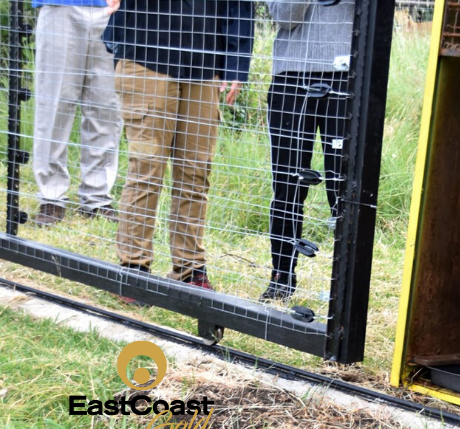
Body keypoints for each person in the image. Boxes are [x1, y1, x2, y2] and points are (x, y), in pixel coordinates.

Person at [102, 0, 253, 300]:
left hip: (204, 63)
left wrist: (237, 62)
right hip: (147, 55)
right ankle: (135, 270)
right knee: (147, 169)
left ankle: (190, 270)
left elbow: (240, 5)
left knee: (196, 173)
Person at [261, 0, 355, 302]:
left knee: (345, 188)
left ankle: (346, 288)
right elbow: (286, 16)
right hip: (291, 77)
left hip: (346, 74)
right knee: (288, 186)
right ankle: (282, 277)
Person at [31, 0, 121, 227]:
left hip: (112, 11)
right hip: (60, 6)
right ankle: (51, 196)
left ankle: (97, 197)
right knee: (54, 107)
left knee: (106, 109)